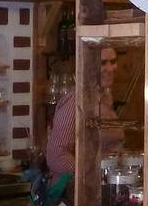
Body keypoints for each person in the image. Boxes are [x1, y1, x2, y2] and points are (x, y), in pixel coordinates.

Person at [46, 47, 124, 178]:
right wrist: (87, 176)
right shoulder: (76, 101)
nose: (110, 68)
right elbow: (56, 156)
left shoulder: (105, 97)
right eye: (103, 63)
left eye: (113, 61)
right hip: (80, 188)